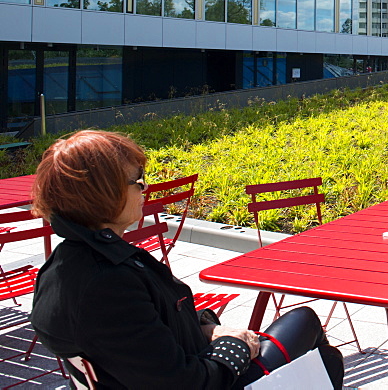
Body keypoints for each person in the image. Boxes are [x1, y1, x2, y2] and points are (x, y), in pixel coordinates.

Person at [30, 130, 345, 389]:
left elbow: (149, 333)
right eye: (137, 181)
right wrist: (235, 348)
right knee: (308, 326)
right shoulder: (107, 284)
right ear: (104, 195)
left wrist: (209, 330)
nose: (146, 188)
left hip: (166, 366)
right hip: (212, 379)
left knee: (313, 345)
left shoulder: (64, 266)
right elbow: (183, 382)